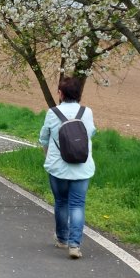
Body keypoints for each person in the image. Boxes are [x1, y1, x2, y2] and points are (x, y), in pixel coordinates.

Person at [38, 76, 96, 259]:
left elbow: (44, 138)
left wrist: (47, 154)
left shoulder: (52, 112)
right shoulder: (87, 112)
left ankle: (62, 239)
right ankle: (74, 245)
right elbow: (91, 133)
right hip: (82, 167)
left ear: (61, 94)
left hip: (58, 167)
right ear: (79, 94)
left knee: (61, 202)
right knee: (77, 205)